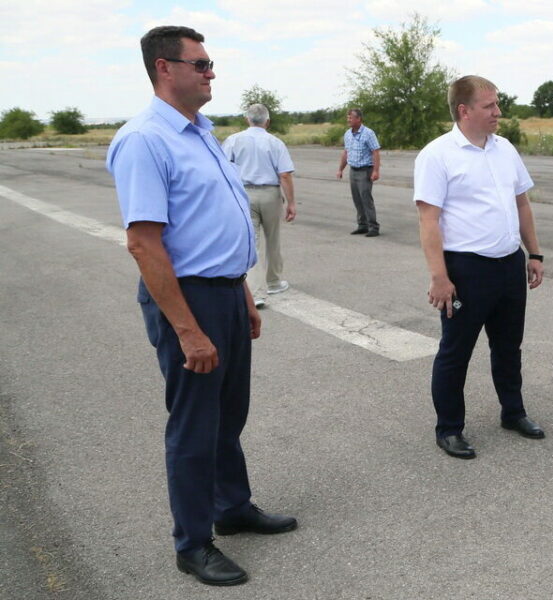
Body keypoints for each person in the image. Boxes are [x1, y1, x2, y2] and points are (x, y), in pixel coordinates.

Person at [106, 25, 296, 587]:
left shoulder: (202, 133)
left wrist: (244, 296)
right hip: (188, 300)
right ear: (164, 68)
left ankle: (231, 507)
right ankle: (192, 543)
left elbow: (216, 226)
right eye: (201, 64)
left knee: (228, 415)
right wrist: (188, 330)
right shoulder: (146, 140)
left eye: (211, 64)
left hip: (226, 294)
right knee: (195, 424)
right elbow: (144, 243)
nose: (212, 73)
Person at [413, 75, 546, 459]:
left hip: (508, 264)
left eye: (497, 104)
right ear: (464, 110)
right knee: (456, 352)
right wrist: (439, 277)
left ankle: (513, 412)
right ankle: (449, 428)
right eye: (489, 106)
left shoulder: (505, 149)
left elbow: (521, 203)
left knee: (508, 347)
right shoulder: (437, 155)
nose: (498, 112)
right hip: (466, 270)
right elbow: (428, 221)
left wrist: (534, 253)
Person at [222, 103, 296, 307]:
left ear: (247, 119)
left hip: (244, 193)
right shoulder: (275, 143)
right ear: (267, 121)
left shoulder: (233, 141)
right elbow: (285, 174)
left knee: (251, 241)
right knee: (273, 239)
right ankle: (274, 281)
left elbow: (223, 170)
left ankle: (255, 292)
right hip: (270, 193)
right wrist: (291, 202)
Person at [335, 108, 381, 237]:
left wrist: (376, 171)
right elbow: (346, 153)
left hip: (365, 171)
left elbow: (375, 152)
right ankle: (362, 225)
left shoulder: (368, 133)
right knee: (357, 199)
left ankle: (373, 227)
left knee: (366, 199)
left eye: (351, 117)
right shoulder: (347, 134)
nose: (348, 120)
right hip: (353, 170)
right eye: (348, 117)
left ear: (359, 118)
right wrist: (340, 169)